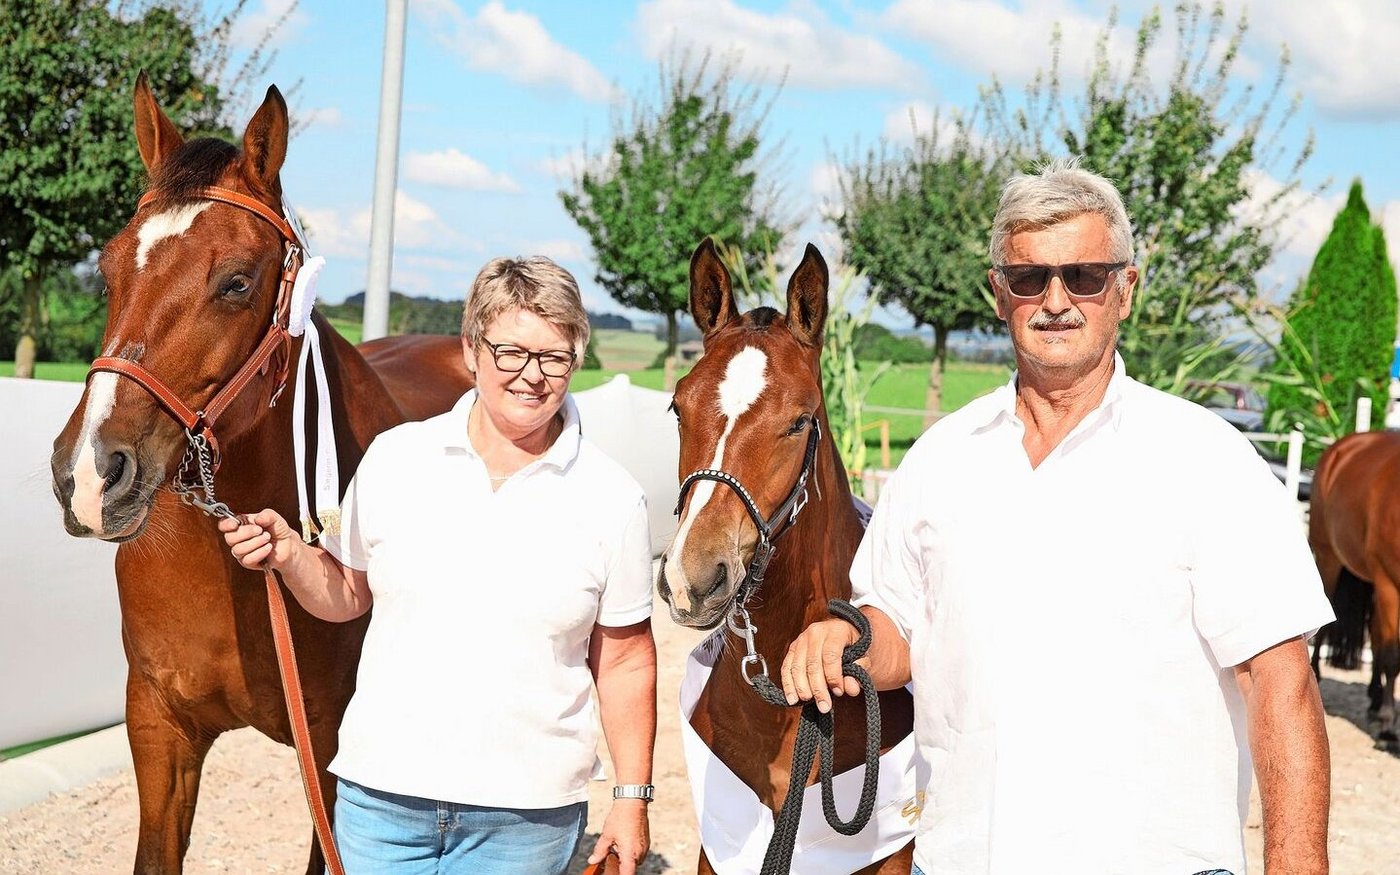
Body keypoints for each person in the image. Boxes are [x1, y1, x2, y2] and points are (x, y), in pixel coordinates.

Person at [781, 158, 1334, 874]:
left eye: (1084, 275)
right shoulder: (939, 461)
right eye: (1028, 277)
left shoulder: (1209, 463)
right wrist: (844, 639)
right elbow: (899, 633)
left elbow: (1280, 683)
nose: (1056, 299)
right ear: (998, 292)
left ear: (1125, 289)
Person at [220, 256, 657, 875]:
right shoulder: (397, 459)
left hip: (525, 820)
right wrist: (291, 555)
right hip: (380, 805)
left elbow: (625, 661)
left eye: (554, 357)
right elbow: (347, 593)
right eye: (511, 352)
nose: (532, 376)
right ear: (473, 351)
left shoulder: (612, 498)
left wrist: (630, 800)